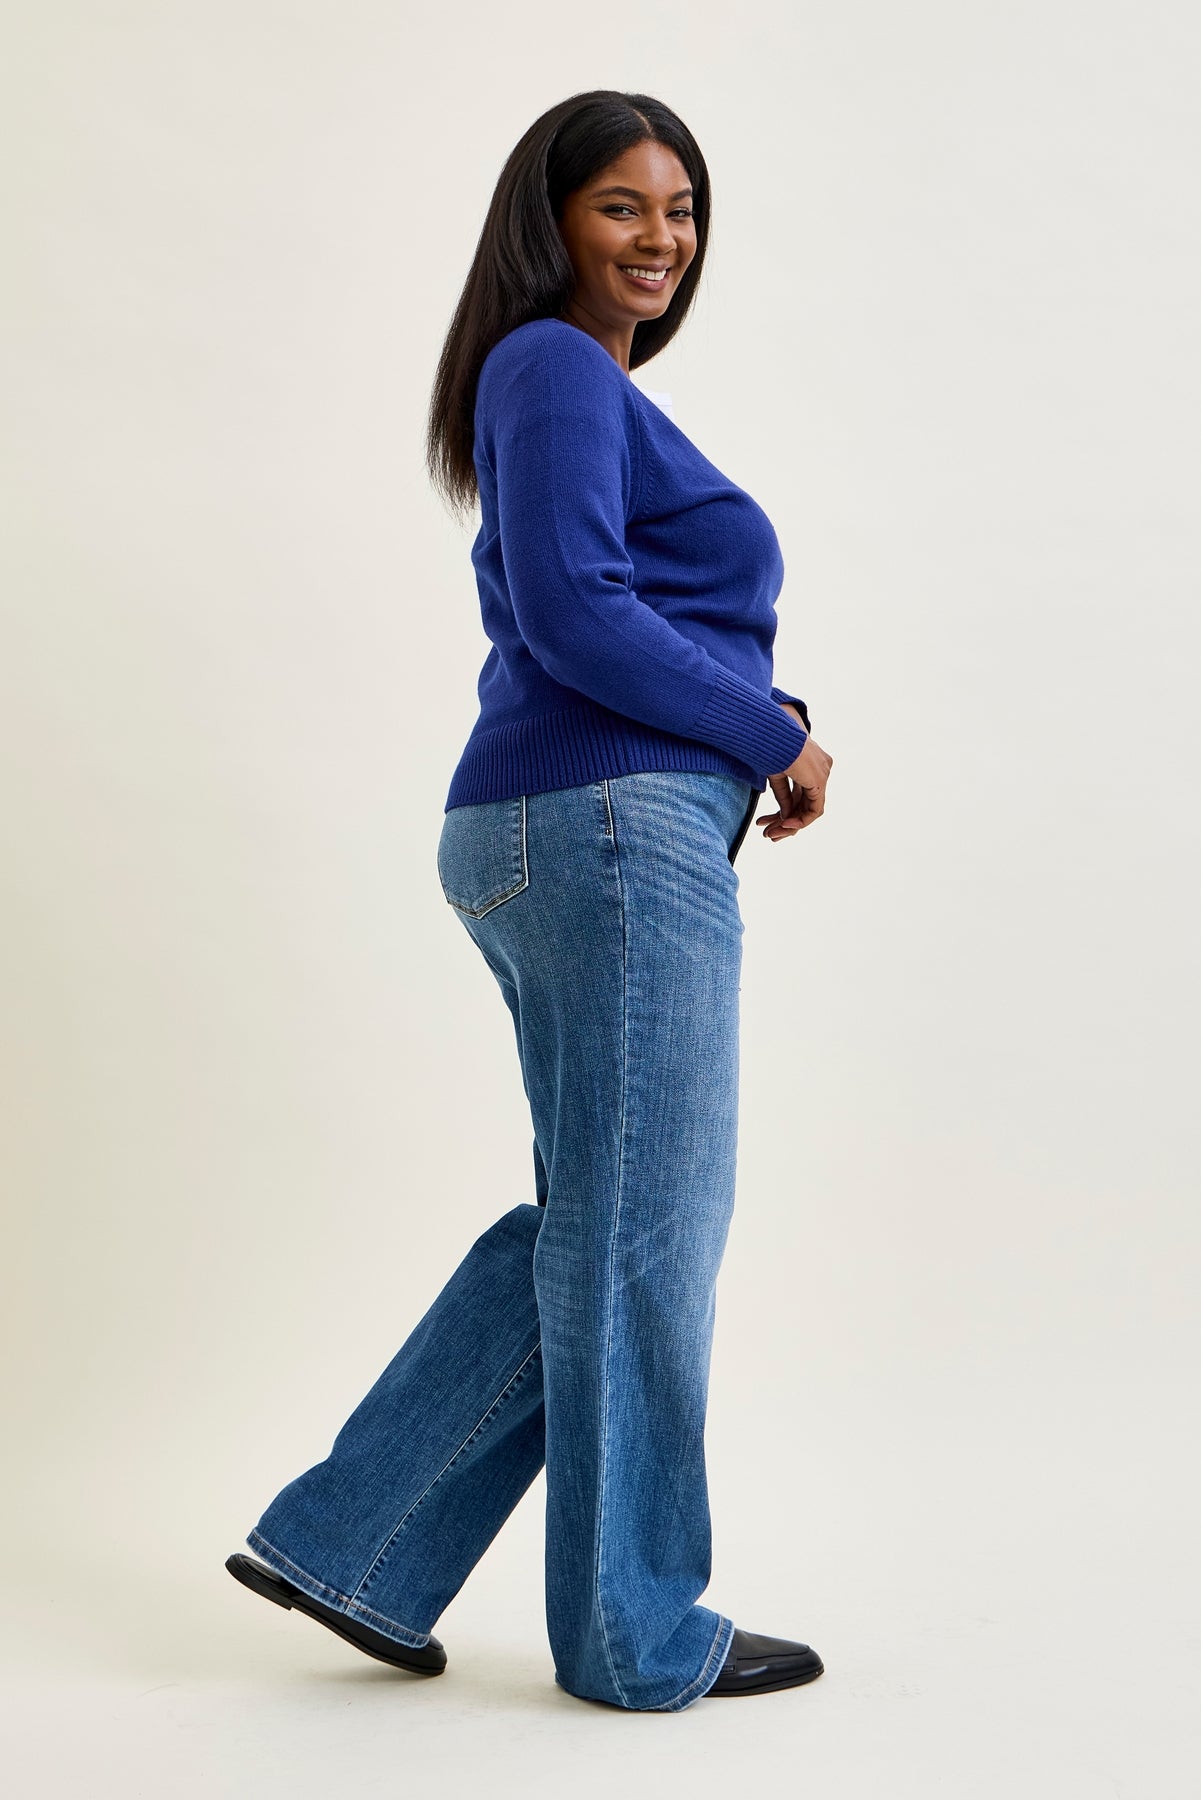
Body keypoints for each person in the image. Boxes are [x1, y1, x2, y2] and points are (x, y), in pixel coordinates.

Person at [226, 88, 834, 1713]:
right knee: (646, 1233)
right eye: (621, 205)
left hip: (570, 829)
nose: (659, 238)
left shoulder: (574, 385)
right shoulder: (554, 365)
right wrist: (768, 732)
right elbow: (575, 614)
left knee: (600, 1222)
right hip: (607, 831)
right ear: (548, 220)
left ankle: (353, 1541)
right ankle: (634, 1636)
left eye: (681, 210)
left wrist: (744, 724)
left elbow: (601, 609)